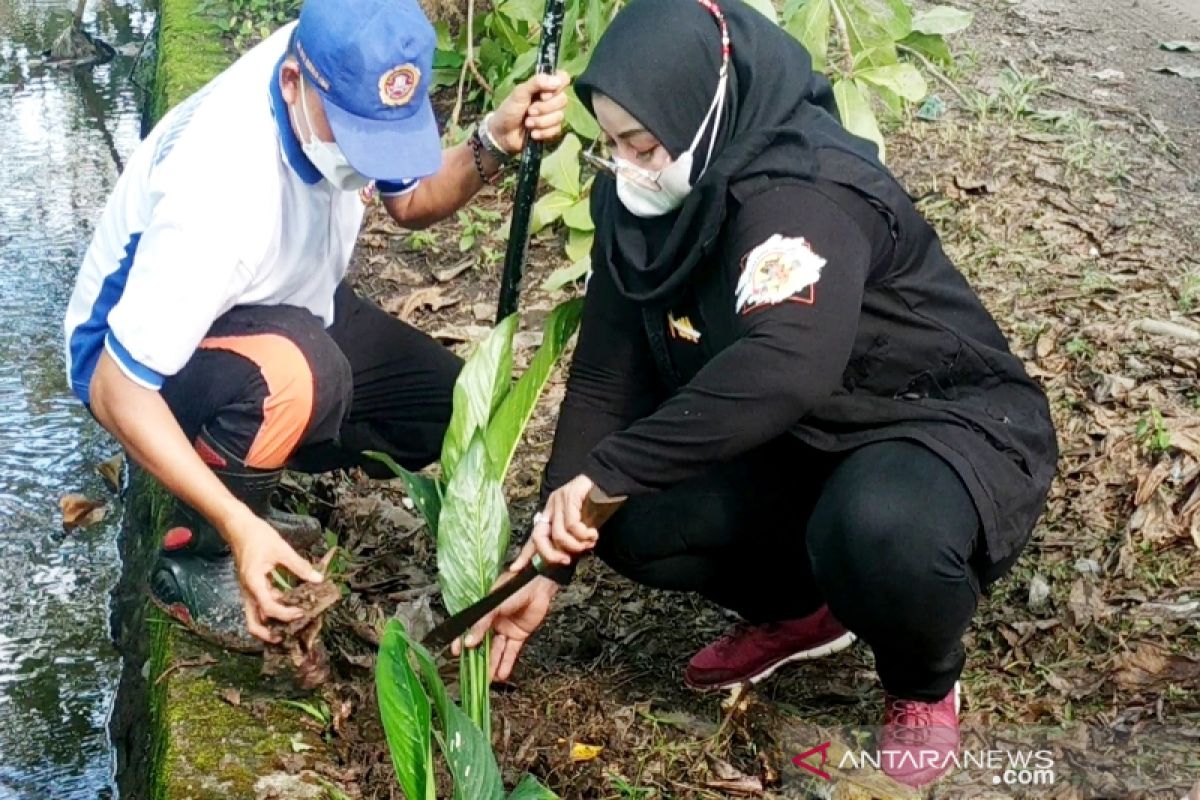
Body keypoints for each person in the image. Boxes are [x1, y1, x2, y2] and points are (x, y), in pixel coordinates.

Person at [463, 0, 1057, 787]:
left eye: (642, 144)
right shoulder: (640, 198)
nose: (628, 164)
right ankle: (806, 610)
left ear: (703, 111)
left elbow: (789, 364)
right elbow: (607, 376)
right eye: (610, 144)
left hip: (921, 421)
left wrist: (611, 471)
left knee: (879, 531)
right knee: (628, 521)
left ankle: (922, 681)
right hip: (788, 435)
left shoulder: (801, 191)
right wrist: (551, 553)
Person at [63, 0, 568, 650]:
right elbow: (116, 389)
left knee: (449, 412)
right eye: (356, 137)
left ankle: (251, 465)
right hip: (138, 356)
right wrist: (236, 523)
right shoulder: (217, 193)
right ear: (292, 83)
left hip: (284, 295)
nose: (370, 161)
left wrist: (492, 142)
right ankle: (202, 552)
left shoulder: (348, 68)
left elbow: (411, 200)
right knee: (303, 377)